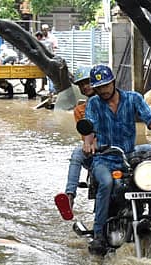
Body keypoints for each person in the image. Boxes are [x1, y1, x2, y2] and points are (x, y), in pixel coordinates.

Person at [81, 64, 151, 255]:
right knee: (105, 183)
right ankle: (98, 235)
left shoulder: (133, 98)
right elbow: (89, 128)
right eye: (99, 87)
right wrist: (88, 143)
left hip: (128, 155)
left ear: (113, 82)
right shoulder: (94, 104)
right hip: (105, 158)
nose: (103, 90)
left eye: (106, 85)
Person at [54, 66, 96, 221]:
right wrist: (90, 143)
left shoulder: (117, 101)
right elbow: (86, 133)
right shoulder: (81, 110)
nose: (85, 87)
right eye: (81, 85)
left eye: (88, 83)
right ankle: (70, 197)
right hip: (95, 150)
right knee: (77, 153)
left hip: (119, 147)